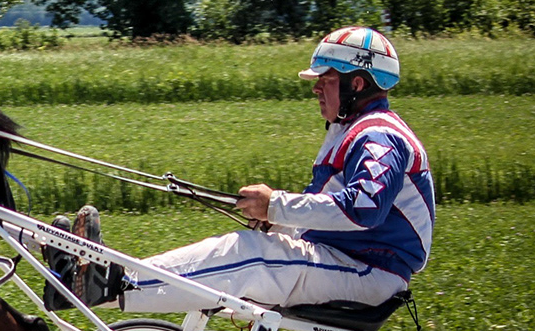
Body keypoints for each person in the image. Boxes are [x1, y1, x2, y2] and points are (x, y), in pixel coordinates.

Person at [105, 27, 435, 315]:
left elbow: (364, 209)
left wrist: (275, 205)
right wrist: (279, 221)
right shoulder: (351, 132)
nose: (316, 88)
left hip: (370, 271)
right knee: (243, 254)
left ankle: (112, 283)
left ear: (357, 84)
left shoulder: (380, 135)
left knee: (250, 256)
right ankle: (108, 280)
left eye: (326, 79)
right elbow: (329, 217)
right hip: (349, 261)